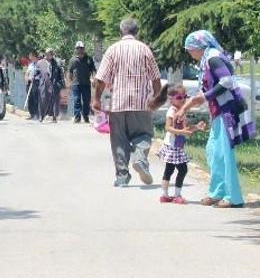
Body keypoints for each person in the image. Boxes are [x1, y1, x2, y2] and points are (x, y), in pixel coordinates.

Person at [175, 30, 255, 208]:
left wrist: (205, 97)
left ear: (199, 47)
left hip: (227, 110)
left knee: (225, 154)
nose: (189, 53)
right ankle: (217, 192)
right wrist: (187, 106)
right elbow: (205, 90)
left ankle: (233, 197)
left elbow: (226, 80)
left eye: (190, 49)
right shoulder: (207, 59)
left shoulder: (213, 58)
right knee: (214, 152)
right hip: (218, 111)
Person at [92, 18, 162, 187]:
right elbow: (156, 78)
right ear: (136, 32)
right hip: (141, 103)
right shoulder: (145, 49)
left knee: (119, 140)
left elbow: (100, 78)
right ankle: (139, 158)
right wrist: (156, 98)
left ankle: (122, 176)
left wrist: (96, 99)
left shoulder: (112, 50)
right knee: (144, 134)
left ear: (121, 31)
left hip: (118, 104)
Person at [152, 84, 206, 204]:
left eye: (185, 97)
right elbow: (168, 127)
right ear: (171, 99)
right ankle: (175, 195)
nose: (183, 99)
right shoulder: (172, 111)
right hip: (171, 146)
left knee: (171, 169)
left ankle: (166, 195)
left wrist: (196, 127)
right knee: (181, 169)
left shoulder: (182, 111)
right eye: (179, 97)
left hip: (177, 146)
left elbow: (186, 128)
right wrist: (181, 132)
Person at [67, 41, 96, 123]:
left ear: (84, 49)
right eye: (78, 48)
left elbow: (93, 70)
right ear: (76, 49)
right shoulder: (73, 60)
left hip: (86, 83)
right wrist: (69, 83)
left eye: (81, 48)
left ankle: (86, 116)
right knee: (77, 100)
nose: (80, 50)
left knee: (86, 101)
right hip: (76, 84)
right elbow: (69, 72)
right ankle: (77, 117)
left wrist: (94, 79)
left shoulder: (89, 59)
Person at [39, 49, 63, 123]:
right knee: (43, 99)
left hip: (54, 83)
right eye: (47, 53)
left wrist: (60, 83)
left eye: (50, 54)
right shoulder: (41, 62)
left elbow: (60, 73)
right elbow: (36, 73)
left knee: (55, 100)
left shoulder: (56, 62)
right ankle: (42, 116)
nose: (48, 55)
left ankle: (54, 117)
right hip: (44, 83)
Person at [24, 50, 41, 120]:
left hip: (36, 82)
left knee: (35, 98)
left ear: (34, 56)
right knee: (30, 99)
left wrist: (35, 77)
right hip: (29, 83)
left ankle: (37, 114)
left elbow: (41, 73)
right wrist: (27, 78)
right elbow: (26, 73)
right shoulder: (30, 65)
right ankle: (31, 114)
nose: (30, 57)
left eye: (31, 56)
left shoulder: (39, 64)